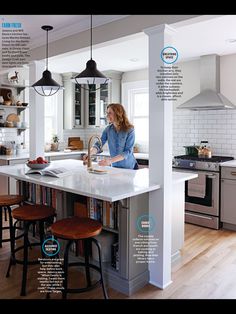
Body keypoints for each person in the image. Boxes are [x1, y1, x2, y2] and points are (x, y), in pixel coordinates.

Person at [83, 103, 139, 170]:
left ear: (118, 114)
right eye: (107, 113)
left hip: (129, 167)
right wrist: (89, 154)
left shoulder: (130, 130)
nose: (107, 115)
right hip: (115, 167)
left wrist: (110, 161)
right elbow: (98, 145)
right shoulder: (108, 129)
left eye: (110, 113)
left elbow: (128, 151)